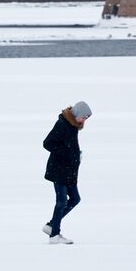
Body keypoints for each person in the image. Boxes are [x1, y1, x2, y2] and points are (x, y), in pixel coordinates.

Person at [42, 101, 92, 245]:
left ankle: (52, 225)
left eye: (86, 119)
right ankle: (54, 235)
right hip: (59, 169)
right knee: (62, 201)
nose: (84, 121)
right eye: (83, 117)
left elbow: (70, 146)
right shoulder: (62, 124)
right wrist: (68, 154)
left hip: (69, 170)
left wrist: (77, 154)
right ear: (76, 114)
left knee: (75, 199)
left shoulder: (73, 126)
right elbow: (48, 143)